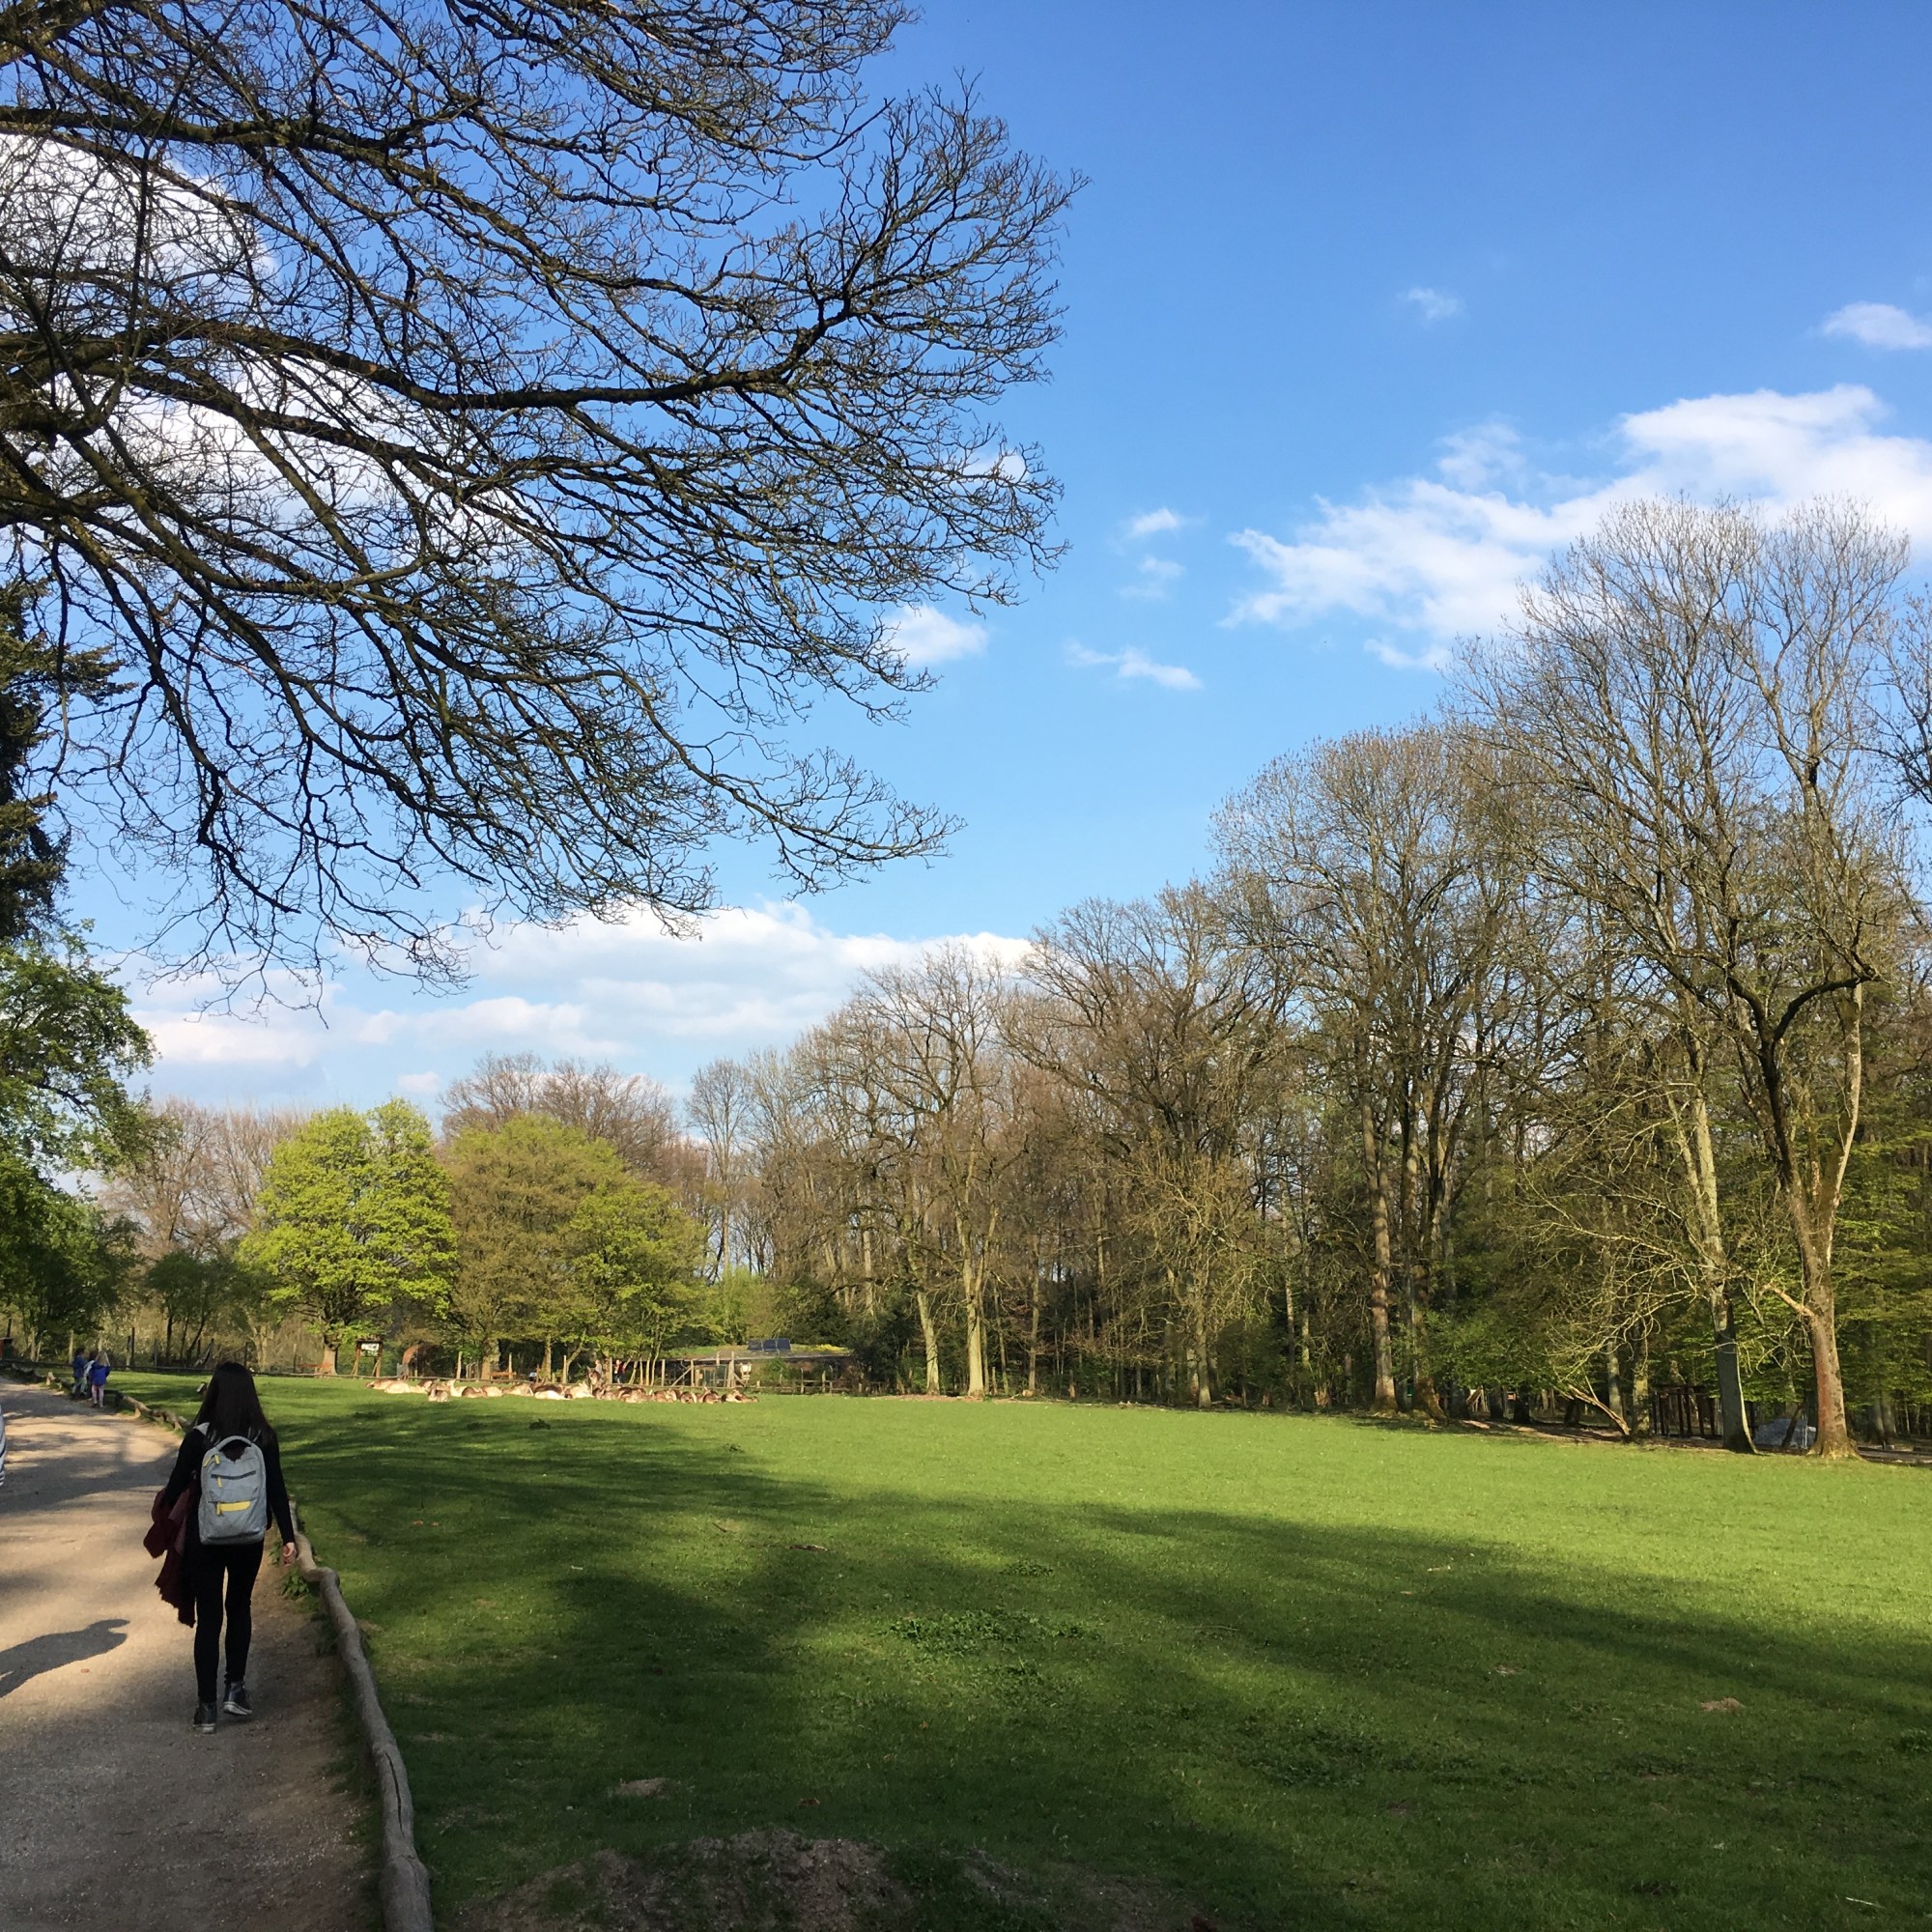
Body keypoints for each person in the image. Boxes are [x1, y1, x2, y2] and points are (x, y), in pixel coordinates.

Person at [157, 1363, 298, 1734]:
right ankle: (235, 1688)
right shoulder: (263, 1437)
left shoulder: (200, 1437)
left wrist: (169, 1510)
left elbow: (174, 1488)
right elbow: (277, 1490)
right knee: (239, 1607)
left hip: (206, 1537)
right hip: (248, 1537)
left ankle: (206, 1708)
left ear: (214, 1392)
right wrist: (288, 1537)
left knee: (209, 1617)